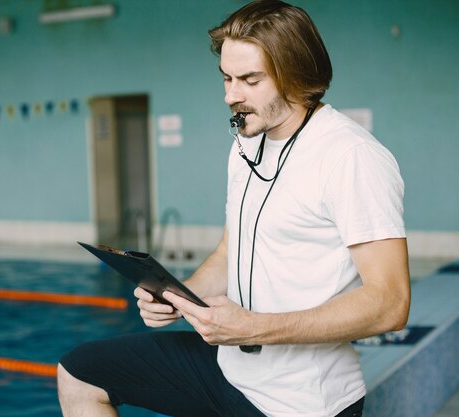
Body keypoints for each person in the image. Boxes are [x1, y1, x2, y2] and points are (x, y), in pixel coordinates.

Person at [57, 1, 410, 416]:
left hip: (301, 402)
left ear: (295, 74)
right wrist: (175, 295)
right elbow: (231, 251)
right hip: (230, 369)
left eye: (249, 79)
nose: (230, 95)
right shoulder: (247, 142)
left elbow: (390, 303)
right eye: (226, 77)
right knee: (80, 373)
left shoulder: (351, 156)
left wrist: (253, 326)